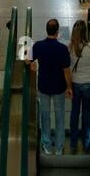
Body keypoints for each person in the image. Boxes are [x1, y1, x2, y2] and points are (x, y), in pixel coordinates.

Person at [30, 18, 72, 155]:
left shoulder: (38, 46)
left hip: (43, 87)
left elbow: (26, 59)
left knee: (45, 116)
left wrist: (31, 64)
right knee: (60, 117)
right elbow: (66, 71)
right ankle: (59, 147)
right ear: (58, 32)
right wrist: (69, 87)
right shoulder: (62, 49)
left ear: (46, 30)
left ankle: (46, 145)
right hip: (59, 88)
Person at [68, 20, 90, 154]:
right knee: (86, 113)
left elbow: (68, 68)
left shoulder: (70, 47)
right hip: (89, 84)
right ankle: (86, 142)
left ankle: (73, 144)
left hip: (75, 84)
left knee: (74, 113)